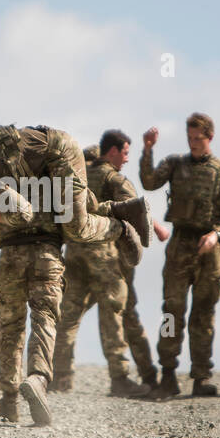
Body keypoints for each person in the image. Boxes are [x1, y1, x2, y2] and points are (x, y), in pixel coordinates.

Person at [0, 125, 150, 424]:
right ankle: (27, 386)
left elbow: (21, 212)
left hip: (60, 151)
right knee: (40, 313)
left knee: (75, 225)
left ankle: (121, 226)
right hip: (45, 231)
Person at [52, 132, 168, 397]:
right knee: (113, 312)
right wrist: (158, 230)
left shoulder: (79, 172)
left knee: (68, 316)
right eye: (125, 153)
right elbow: (135, 209)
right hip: (101, 252)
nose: (126, 159)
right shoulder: (112, 177)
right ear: (112, 151)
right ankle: (120, 379)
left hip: (73, 251)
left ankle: (60, 380)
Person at [139, 113, 220, 398]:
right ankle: (168, 373)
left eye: (199, 138)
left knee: (203, 314)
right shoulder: (175, 164)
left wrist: (217, 234)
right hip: (180, 244)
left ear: (210, 137)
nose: (194, 143)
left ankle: (200, 377)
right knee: (172, 311)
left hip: (208, 247)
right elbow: (148, 182)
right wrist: (148, 150)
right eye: (190, 138)